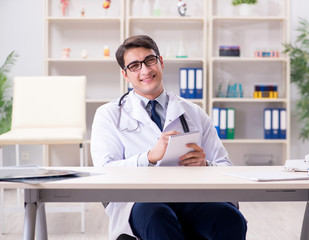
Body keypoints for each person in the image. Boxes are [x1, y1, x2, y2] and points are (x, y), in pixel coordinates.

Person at [91, 35, 247, 240]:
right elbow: (104, 172)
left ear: (161, 62)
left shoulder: (193, 112)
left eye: (149, 60)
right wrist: (148, 157)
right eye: (135, 66)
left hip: (190, 195)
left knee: (230, 218)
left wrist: (206, 165)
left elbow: (225, 167)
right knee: (158, 216)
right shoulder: (109, 114)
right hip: (139, 199)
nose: (145, 70)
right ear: (125, 75)